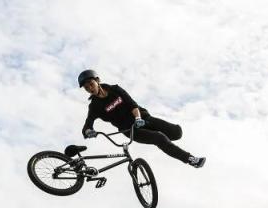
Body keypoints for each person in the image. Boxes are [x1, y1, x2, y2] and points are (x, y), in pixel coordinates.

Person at [77, 69, 205, 168]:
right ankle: (191, 159)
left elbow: (132, 104)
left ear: (97, 80)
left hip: (142, 118)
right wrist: (88, 131)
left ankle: (166, 145)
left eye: (91, 84)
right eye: (86, 88)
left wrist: (138, 118)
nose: (90, 89)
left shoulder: (115, 89)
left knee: (177, 132)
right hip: (130, 130)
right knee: (159, 138)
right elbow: (87, 125)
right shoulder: (94, 106)